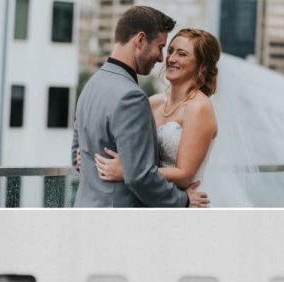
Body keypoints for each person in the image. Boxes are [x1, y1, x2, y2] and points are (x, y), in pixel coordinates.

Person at [71, 6, 209, 208]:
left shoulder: (91, 85)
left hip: (85, 213)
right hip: (119, 218)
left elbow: (77, 158)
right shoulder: (131, 96)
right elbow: (140, 177)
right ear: (140, 40)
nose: (162, 58)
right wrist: (184, 200)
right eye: (161, 47)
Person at [94, 28, 220, 193]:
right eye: (170, 51)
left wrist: (129, 172)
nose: (171, 58)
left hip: (182, 203)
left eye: (182, 54)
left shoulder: (199, 108)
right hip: (147, 199)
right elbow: (128, 145)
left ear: (202, 65)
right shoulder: (153, 102)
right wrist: (91, 154)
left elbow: (184, 175)